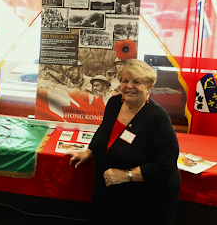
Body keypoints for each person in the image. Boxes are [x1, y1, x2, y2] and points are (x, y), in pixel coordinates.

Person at [65, 59, 180, 225]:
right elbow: (104, 130)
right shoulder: (114, 103)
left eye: (136, 82)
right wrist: (88, 151)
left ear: (149, 86)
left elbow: (165, 166)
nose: (129, 86)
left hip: (141, 199)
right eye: (125, 81)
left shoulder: (158, 118)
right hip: (108, 187)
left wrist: (127, 176)